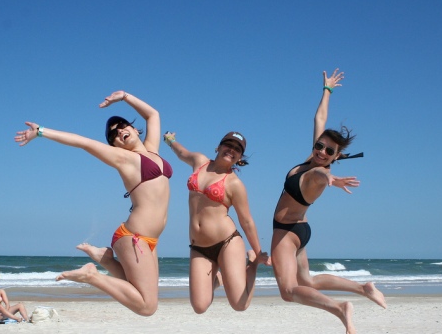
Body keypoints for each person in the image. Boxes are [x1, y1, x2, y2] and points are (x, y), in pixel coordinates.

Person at [15, 91, 170, 316]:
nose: (120, 132)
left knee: (141, 292)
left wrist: (125, 97)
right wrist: (40, 132)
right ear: (115, 146)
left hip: (150, 240)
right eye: (114, 135)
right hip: (134, 237)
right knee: (147, 306)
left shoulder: (153, 151)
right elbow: (84, 143)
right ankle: (92, 276)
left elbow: (153, 114)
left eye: (123, 126)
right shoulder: (124, 159)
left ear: (135, 129)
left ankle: (104, 260)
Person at [270, 68, 386, 334]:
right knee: (307, 282)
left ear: (336, 157)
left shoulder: (318, 173)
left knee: (288, 291)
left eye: (328, 151)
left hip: (287, 232)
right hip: (301, 229)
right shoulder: (313, 159)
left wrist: (331, 179)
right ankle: (363, 288)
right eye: (320, 146)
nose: (321, 151)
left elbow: (320, 176)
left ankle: (339, 308)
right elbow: (319, 118)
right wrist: (327, 90)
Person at [163, 131, 270, 313]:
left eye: (237, 149)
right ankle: (219, 278)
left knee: (239, 305)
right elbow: (182, 153)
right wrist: (170, 140)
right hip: (199, 247)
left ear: (240, 157)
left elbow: (246, 221)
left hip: (227, 242)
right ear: (218, 147)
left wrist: (259, 253)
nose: (231, 150)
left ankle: (251, 264)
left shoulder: (235, 183)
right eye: (228, 145)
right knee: (200, 306)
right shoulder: (199, 162)